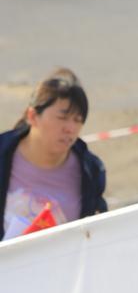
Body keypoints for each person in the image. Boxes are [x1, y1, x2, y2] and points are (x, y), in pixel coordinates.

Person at [0, 69, 107, 240]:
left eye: (78, 120)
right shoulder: (4, 154)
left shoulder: (91, 170)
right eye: (62, 118)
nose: (70, 128)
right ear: (32, 116)